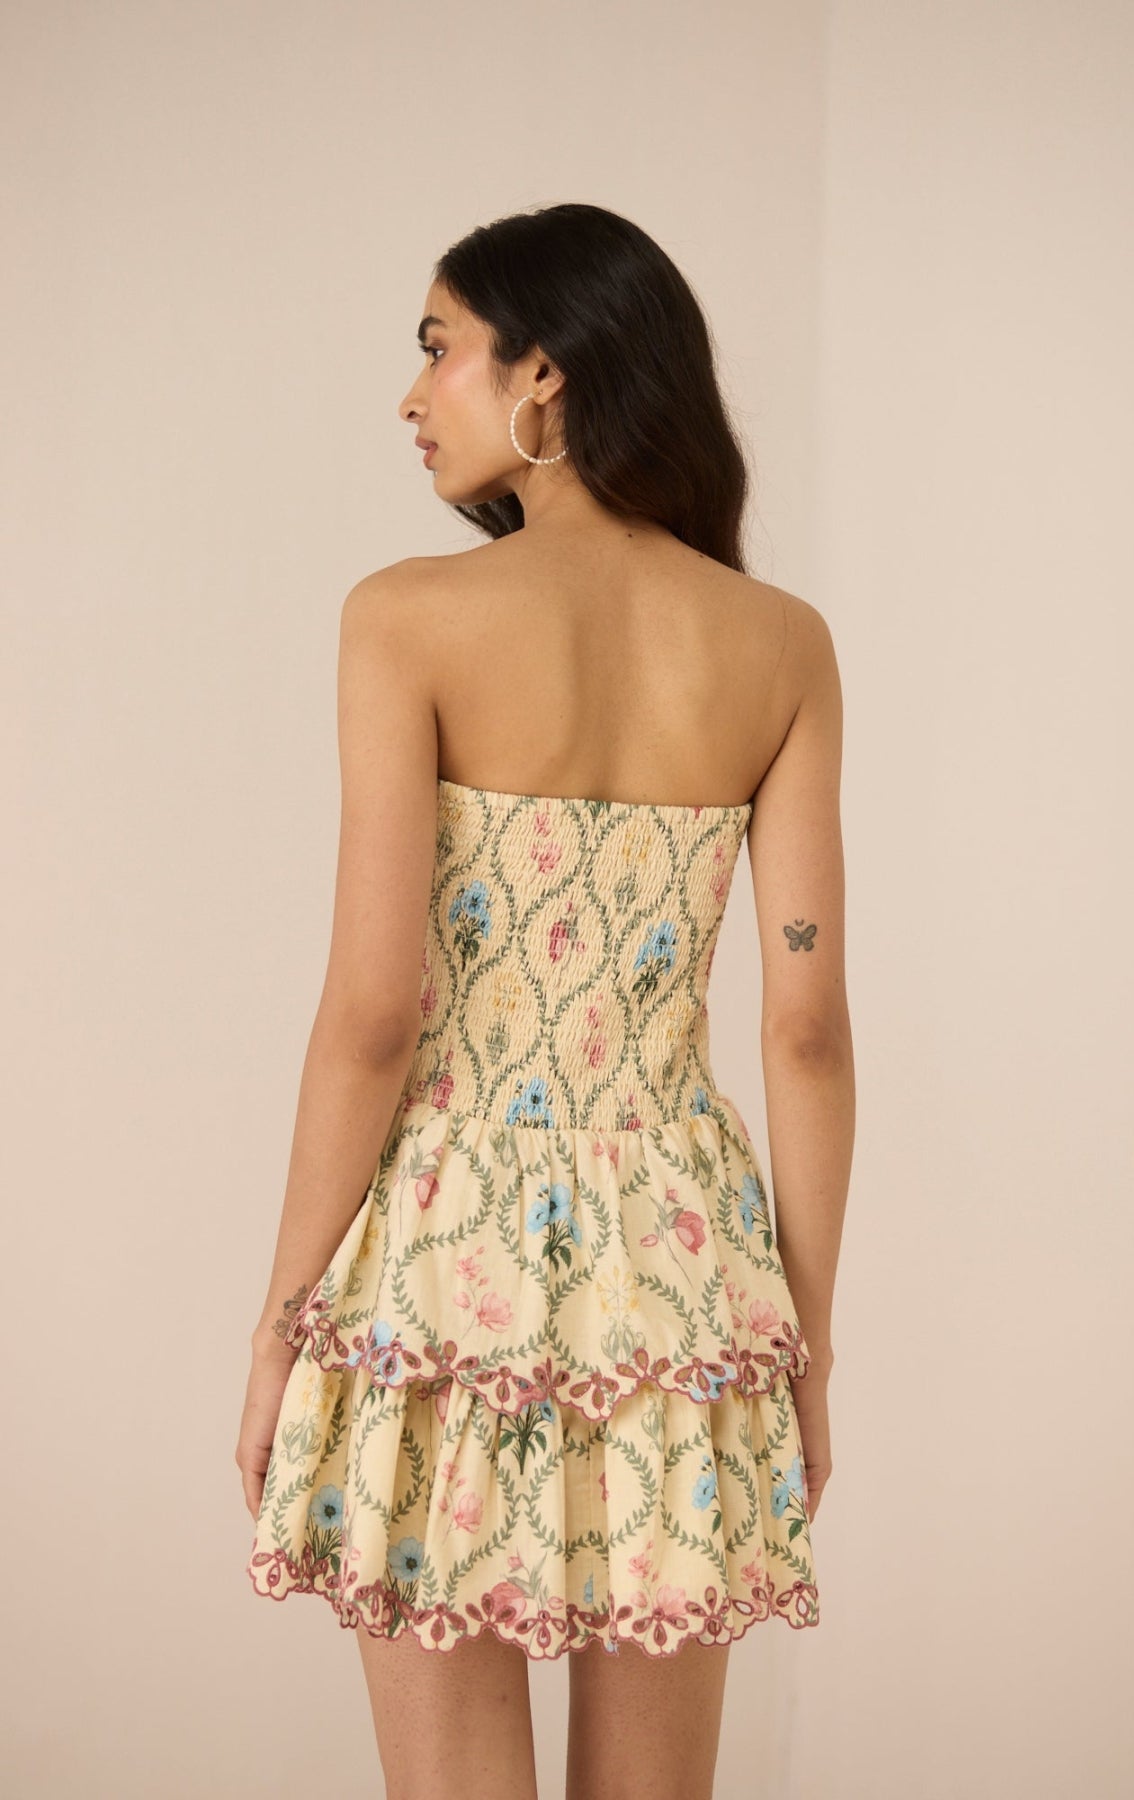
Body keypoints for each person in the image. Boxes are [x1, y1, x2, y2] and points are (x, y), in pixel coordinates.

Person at [236, 201, 853, 1800]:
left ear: (546, 380)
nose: (413, 391)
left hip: (447, 1251)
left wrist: (282, 1316)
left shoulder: (410, 617)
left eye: (440, 347)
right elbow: (804, 1026)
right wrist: (804, 1338)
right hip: (689, 1267)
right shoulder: (780, 645)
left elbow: (375, 1012)